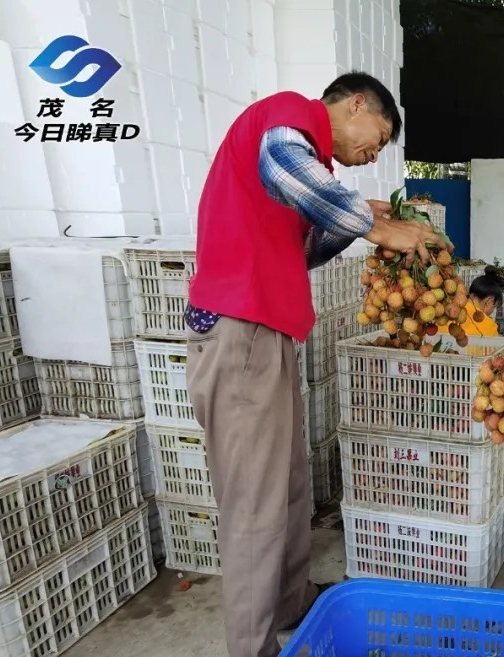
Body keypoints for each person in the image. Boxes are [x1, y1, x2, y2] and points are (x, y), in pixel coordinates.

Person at [184, 73, 438, 657]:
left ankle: (293, 602)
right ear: (355, 104)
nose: (372, 153)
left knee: (289, 486)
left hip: (266, 337)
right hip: (240, 332)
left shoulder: (301, 168)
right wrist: (378, 227)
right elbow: (287, 167)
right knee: (254, 505)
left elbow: (300, 249)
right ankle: (253, 647)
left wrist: (356, 222)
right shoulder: (287, 117)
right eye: (377, 137)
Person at [438, 266, 503, 336]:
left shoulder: (444, 310)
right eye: (494, 307)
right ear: (488, 302)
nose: (492, 311)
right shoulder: (490, 326)